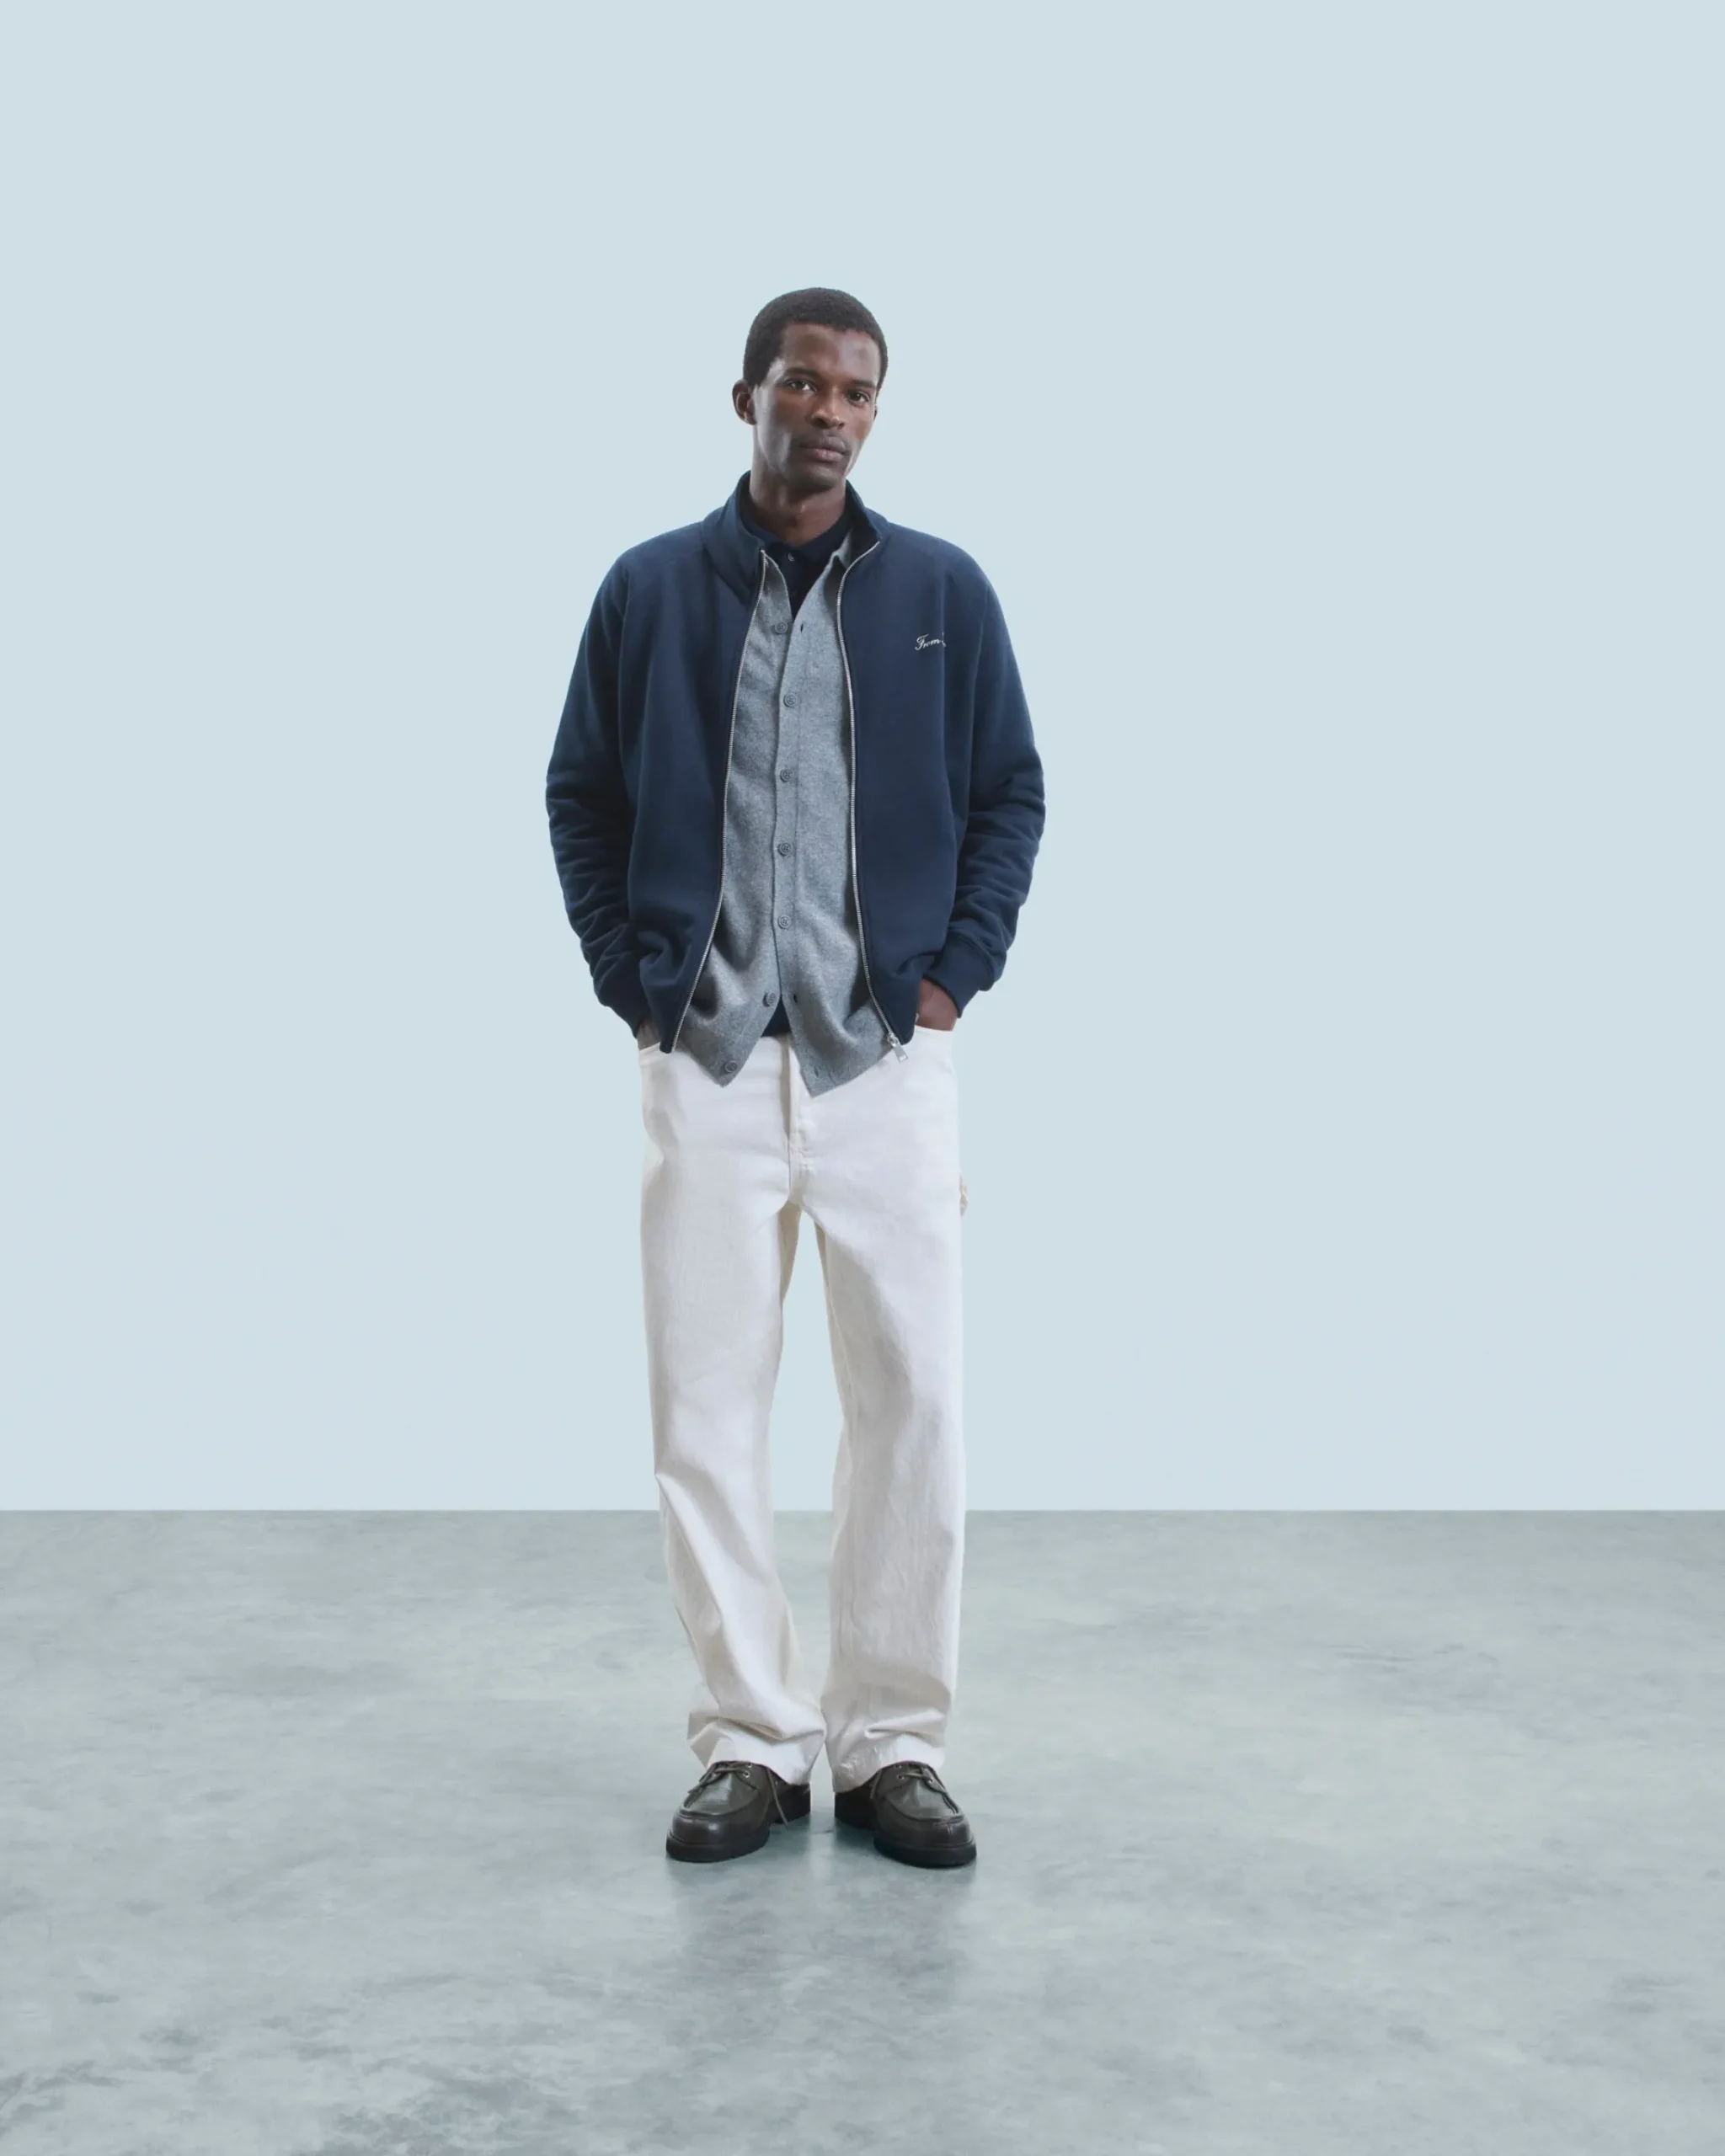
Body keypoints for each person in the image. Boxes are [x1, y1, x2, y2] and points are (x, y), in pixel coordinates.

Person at [545, 288, 1044, 1869]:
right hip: (704, 1059)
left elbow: (1011, 792)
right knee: (704, 1409)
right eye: (804, 383)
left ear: (876, 414)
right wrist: (636, 985)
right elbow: (580, 792)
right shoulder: (649, 590)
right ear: (748, 396)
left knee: (916, 1399)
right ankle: (754, 1737)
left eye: (858, 392)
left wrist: (950, 980)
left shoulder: (944, 593)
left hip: (886, 1059)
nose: (831, 411)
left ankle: (892, 1741)